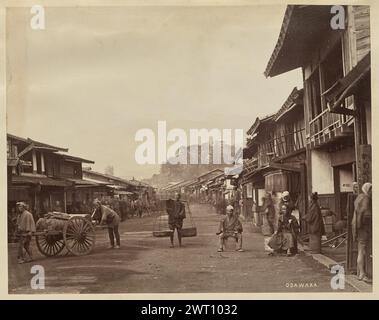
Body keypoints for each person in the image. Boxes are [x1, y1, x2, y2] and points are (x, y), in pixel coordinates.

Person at [352, 182, 372, 283]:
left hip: (357, 226)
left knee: (361, 250)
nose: (372, 192)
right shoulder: (366, 198)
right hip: (364, 228)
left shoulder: (359, 197)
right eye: (371, 189)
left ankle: (359, 273)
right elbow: (366, 214)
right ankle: (362, 273)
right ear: (368, 190)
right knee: (363, 251)